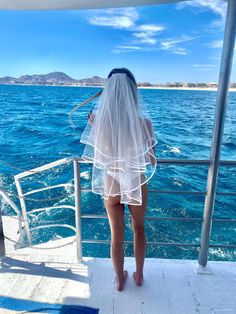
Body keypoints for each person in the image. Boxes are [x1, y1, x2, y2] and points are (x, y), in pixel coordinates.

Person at [80, 68, 157, 291]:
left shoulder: (101, 123)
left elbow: (100, 155)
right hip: (135, 181)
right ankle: (139, 275)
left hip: (111, 181)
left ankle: (119, 278)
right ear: (133, 93)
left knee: (116, 234)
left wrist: (95, 125)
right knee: (139, 228)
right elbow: (151, 160)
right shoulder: (144, 123)